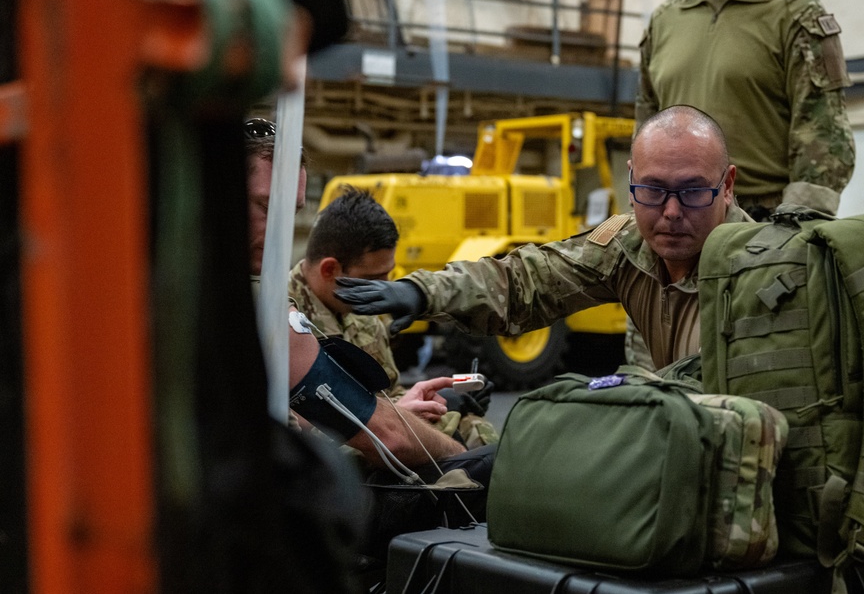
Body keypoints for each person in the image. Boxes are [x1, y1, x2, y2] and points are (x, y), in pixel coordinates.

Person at [335, 105, 752, 372]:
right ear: (631, 182)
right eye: (653, 190)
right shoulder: (628, 246)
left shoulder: (761, 270)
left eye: (694, 191)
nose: (672, 211)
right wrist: (423, 291)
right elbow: (529, 279)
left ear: (727, 186)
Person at [243, 117, 490, 472]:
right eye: (266, 207)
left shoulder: (349, 312)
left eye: (292, 212)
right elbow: (376, 433)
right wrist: (463, 458)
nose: (280, 231)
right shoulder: (275, 312)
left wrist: (407, 402)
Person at [635, 0, 855, 222]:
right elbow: (645, 125)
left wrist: (796, 230)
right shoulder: (664, 22)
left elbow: (824, 136)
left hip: (764, 222)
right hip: (675, 218)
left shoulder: (797, 15)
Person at [288, 186, 499, 448]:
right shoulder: (281, 320)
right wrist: (399, 412)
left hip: (390, 437)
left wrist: (434, 399)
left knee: (478, 433)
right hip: (332, 457)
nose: (385, 288)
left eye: (388, 274)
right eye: (373, 279)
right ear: (330, 269)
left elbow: (390, 390)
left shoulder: (361, 311)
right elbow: (298, 429)